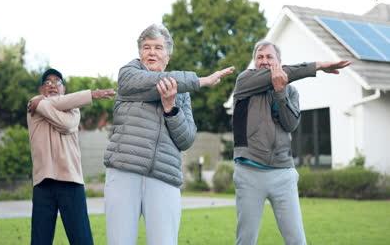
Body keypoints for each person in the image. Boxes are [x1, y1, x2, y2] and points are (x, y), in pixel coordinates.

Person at [103, 23, 234, 245]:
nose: (151, 52)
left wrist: (171, 108)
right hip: (124, 172)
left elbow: (187, 139)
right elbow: (152, 83)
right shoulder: (129, 76)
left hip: (164, 177)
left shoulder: (181, 95)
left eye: (157, 47)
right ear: (139, 53)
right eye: (146, 47)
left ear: (168, 56)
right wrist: (200, 81)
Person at [231, 40, 351, 245]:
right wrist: (318, 66)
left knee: (296, 240)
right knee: (246, 240)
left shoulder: (291, 92)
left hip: (283, 174)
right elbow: (277, 74)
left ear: (279, 62)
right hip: (249, 173)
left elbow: (290, 124)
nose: (264, 61)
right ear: (254, 62)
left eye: (269, 57)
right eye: (260, 57)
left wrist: (280, 92)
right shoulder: (245, 82)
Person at [27, 68, 115, 245]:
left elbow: (66, 125)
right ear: (41, 89)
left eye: (57, 82)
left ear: (64, 89)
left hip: (71, 181)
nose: (52, 85)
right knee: (40, 240)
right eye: (48, 82)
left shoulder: (72, 110)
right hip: (43, 183)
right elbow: (51, 106)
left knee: (81, 239)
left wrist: (90, 95)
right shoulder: (33, 106)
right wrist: (90, 95)